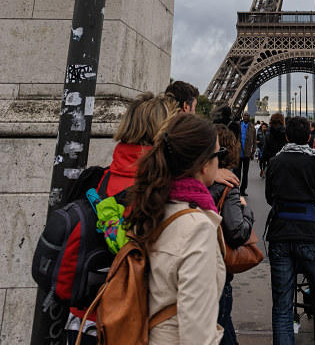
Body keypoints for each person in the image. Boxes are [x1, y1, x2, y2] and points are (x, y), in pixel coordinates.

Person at [65, 92, 178, 345]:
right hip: (134, 325)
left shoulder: (96, 180)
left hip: (85, 321)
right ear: (164, 134)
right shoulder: (165, 190)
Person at [127, 112, 226, 345]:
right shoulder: (198, 229)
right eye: (219, 154)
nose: (220, 161)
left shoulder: (152, 206)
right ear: (203, 165)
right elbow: (198, 336)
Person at [265, 115, 315, 345]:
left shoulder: (275, 160)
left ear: (287, 136)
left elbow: (270, 198)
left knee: (282, 305)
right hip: (310, 233)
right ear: (309, 135)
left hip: (281, 234)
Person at [209, 125, 255, 345]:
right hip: (217, 271)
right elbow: (237, 232)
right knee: (222, 326)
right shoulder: (228, 186)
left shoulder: (190, 182)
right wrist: (247, 211)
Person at [238, 111, 256, 196]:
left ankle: (243, 189)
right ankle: (236, 189)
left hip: (247, 153)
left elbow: (254, 141)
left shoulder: (252, 128)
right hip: (238, 153)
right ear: (242, 116)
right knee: (237, 172)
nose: (246, 116)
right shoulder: (237, 125)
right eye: (245, 115)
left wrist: (253, 152)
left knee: (245, 173)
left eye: (247, 115)